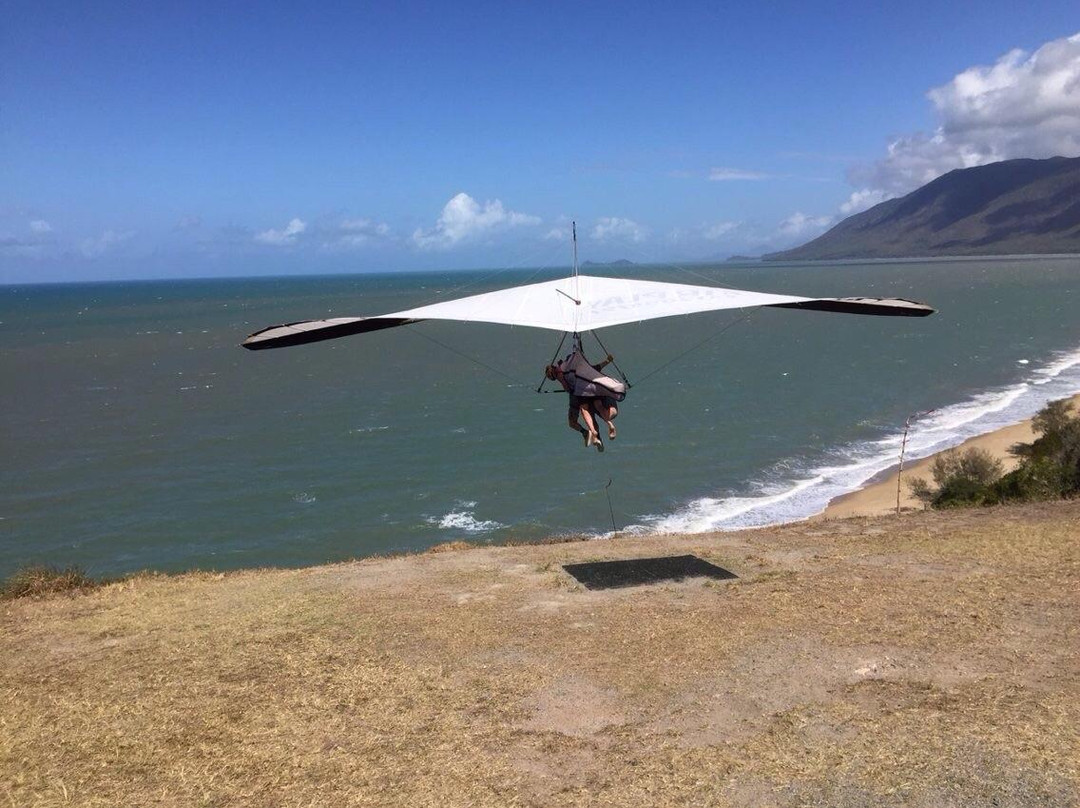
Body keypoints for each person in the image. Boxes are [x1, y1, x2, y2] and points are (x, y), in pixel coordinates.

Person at [545, 339, 625, 451]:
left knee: (585, 413)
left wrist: (563, 380)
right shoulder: (568, 367)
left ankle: (594, 435)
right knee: (597, 407)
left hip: (580, 394)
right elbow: (594, 369)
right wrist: (607, 361)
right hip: (590, 389)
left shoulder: (563, 372)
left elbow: (569, 389)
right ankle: (607, 425)